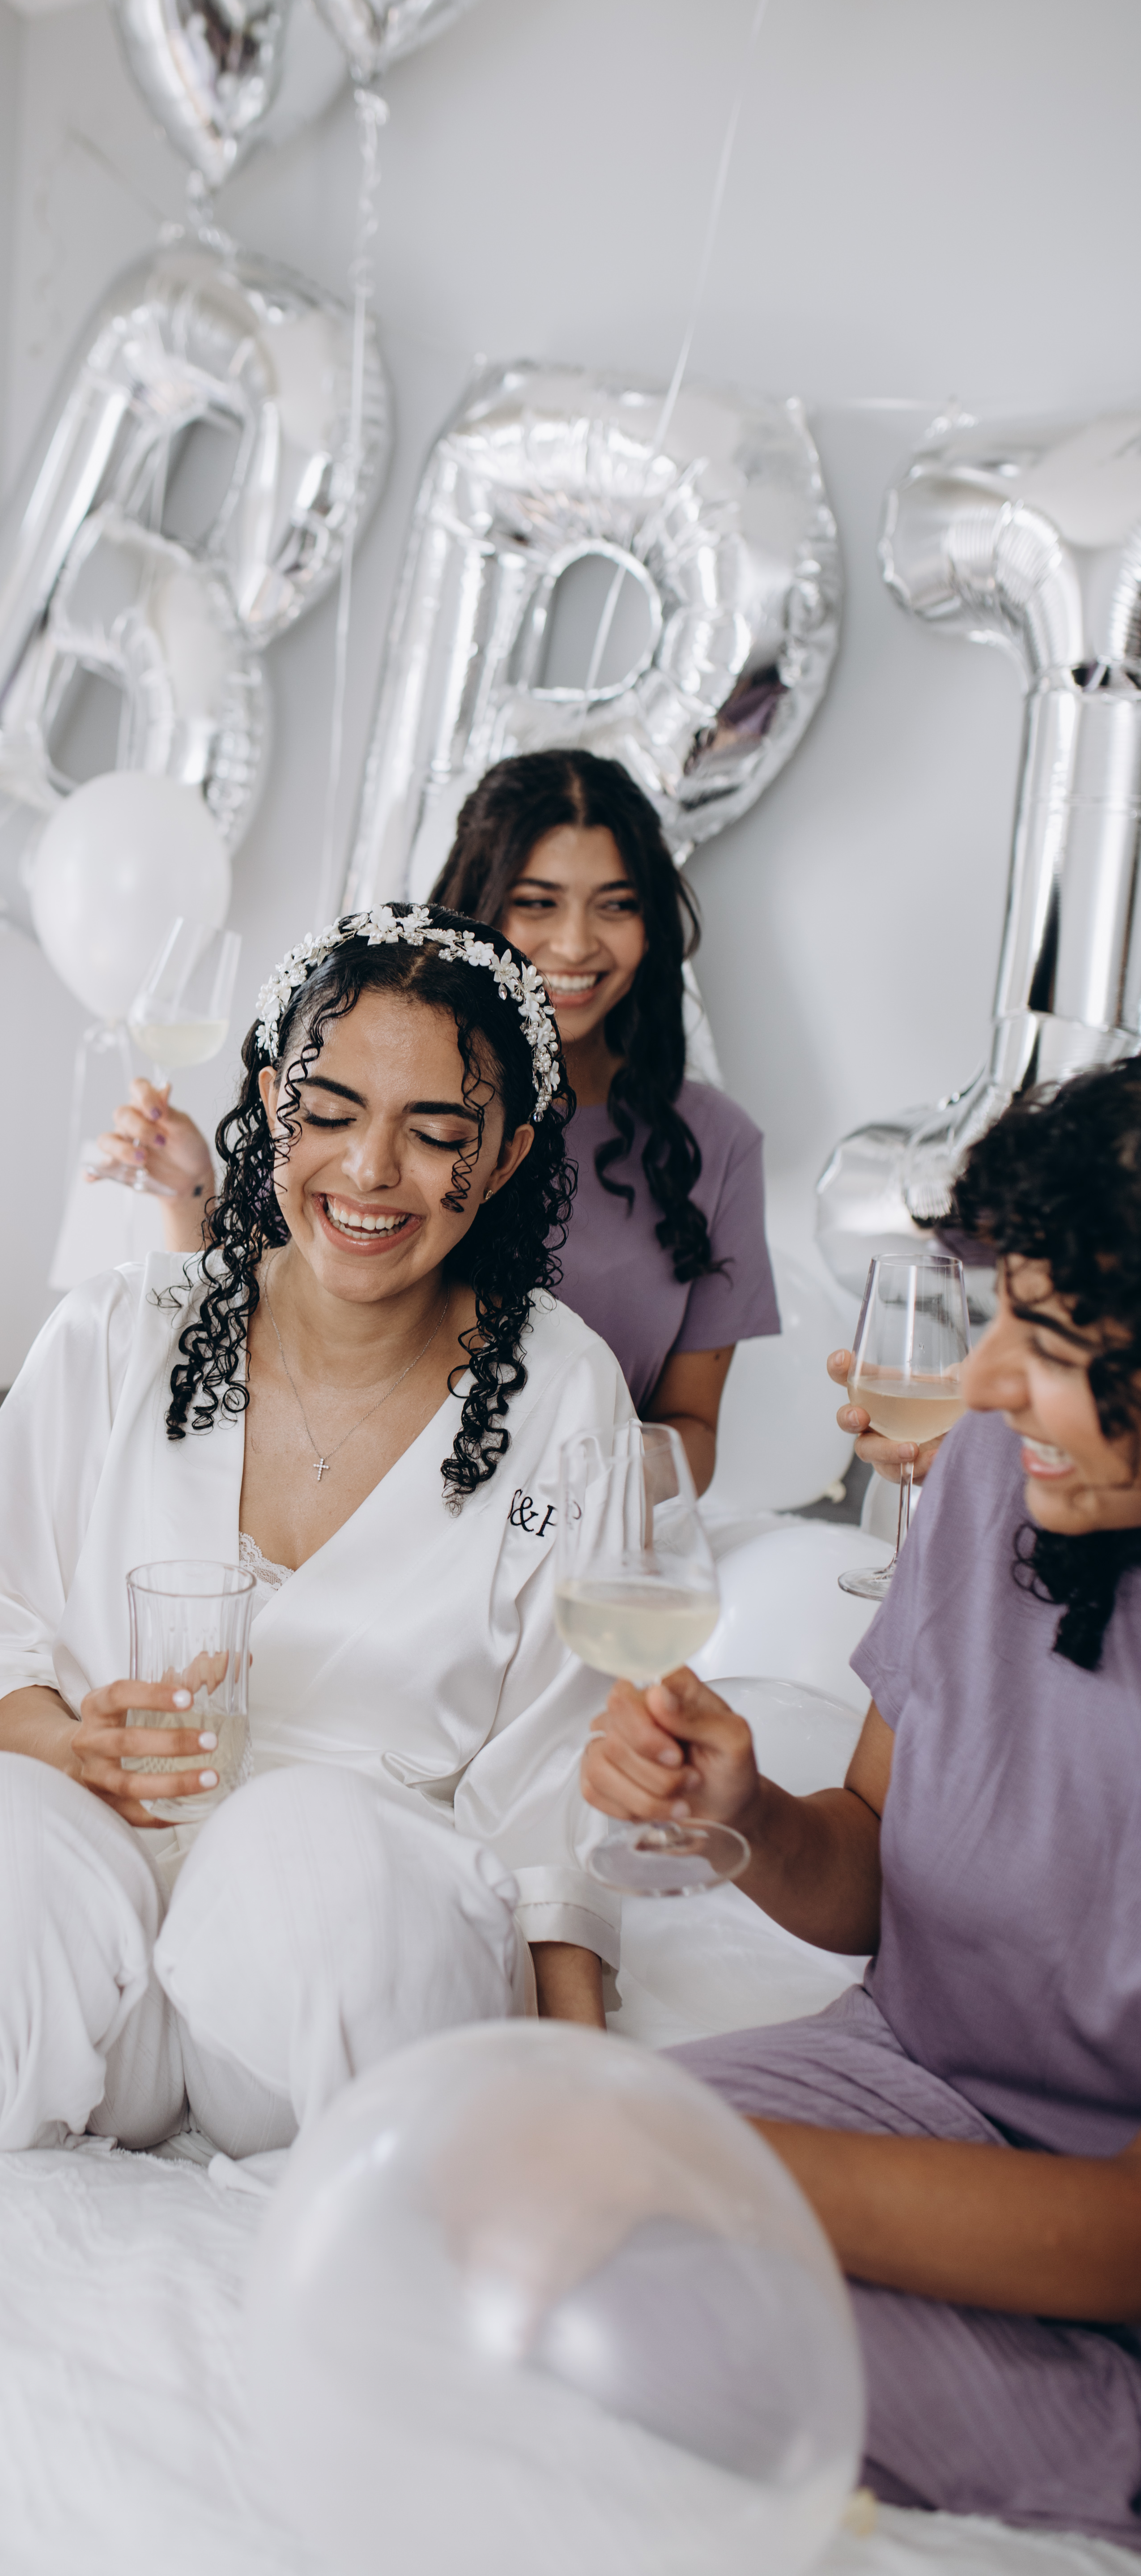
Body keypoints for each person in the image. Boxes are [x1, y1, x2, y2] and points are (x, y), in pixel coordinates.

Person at [0, 906, 629, 2160]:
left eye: (435, 1133)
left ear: (501, 1159)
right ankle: (26, 2089)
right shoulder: (118, 1331)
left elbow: (561, 1781)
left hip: (331, 1975)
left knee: (307, 1846)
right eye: (327, 1112)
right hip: (88, 1905)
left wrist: (588, 2102)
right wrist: (72, 1746)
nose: (368, 1170)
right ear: (272, 1101)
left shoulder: (563, 1396)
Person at [582, 1057, 1141, 2546]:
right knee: (535, 2193)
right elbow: (877, 1869)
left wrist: (718, 2170)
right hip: (907, 2083)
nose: (984, 1383)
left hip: (1106, 2232)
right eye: (1000, 1315)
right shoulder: (990, 1480)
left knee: (659, 2286)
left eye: (1052, 1340)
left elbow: (1124, 2238)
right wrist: (747, 1814)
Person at [106, 754, 776, 1493]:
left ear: (510, 1158)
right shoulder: (358, 1114)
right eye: (538, 902)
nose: (576, 943)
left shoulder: (717, 1144)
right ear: (479, 902)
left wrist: (548, 1468)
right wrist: (191, 1192)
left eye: (616, 905)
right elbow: (257, 1322)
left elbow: (692, 1434)